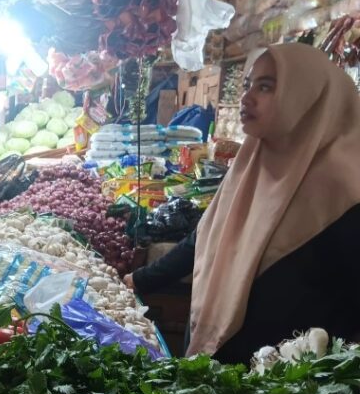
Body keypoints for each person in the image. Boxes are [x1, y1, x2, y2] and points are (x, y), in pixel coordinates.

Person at [124, 43, 360, 363]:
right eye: (248, 85)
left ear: (308, 97)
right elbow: (207, 236)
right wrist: (140, 279)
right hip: (223, 366)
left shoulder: (345, 187)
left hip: (288, 388)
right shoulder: (253, 161)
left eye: (265, 87)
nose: (246, 98)